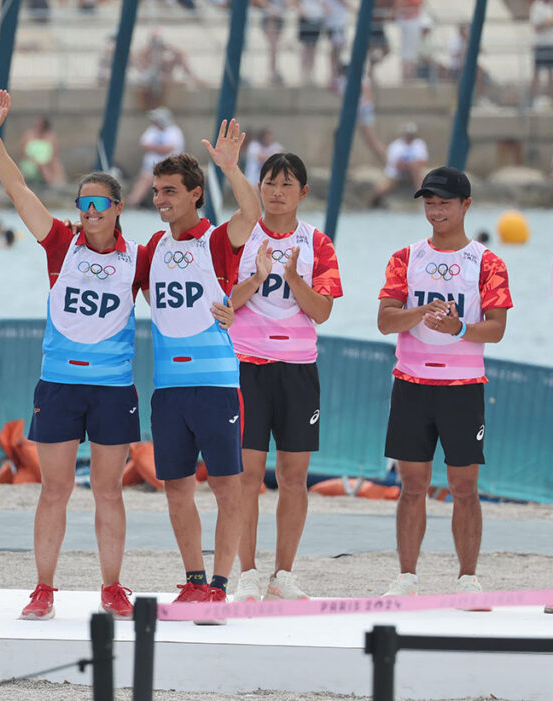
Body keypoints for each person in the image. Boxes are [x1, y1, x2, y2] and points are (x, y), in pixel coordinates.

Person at [0, 90, 142, 621]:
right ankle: (43, 589)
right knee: (53, 490)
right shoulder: (60, 243)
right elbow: (18, 188)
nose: (91, 211)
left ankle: (112, 587)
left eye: (101, 203)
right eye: (84, 203)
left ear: (117, 208)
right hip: (59, 382)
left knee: (108, 491)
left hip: (114, 384)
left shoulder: (137, 259)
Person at [136, 120, 261, 617]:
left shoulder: (215, 241)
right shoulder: (153, 247)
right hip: (168, 386)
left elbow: (251, 214)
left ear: (194, 195)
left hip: (215, 384)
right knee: (177, 487)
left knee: (227, 485)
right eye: (157, 189)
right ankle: (192, 580)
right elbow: (140, 292)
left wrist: (230, 168)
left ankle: (220, 584)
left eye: (170, 191)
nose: (160, 197)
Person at [378, 166, 512, 598]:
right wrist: (420, 313)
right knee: (411, 486)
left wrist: (457, 329)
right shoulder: (405, 258)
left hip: (463, 386)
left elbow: (496, 329)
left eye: (444, 203)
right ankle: (406, 578)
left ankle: (467, 578)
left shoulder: (488, 262)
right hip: (412, 384)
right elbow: (384, 321)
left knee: (464, 488)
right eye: (429, 202)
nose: (435, 210)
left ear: (465, 205)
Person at [226, 152, 343, 601]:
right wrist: (256, 278)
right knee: (246, 476)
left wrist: (293, 278)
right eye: (269, 183)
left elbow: (322, 311)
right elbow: (226, 302)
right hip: (248, 366)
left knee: (294, 476)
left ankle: (284, 574)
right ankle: (249, 572)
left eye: (286, 185)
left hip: (297, 369)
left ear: (303, 193)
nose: (276, 193)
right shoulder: (242, 235)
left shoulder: (318, 242)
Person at [126, 107, 185, 208]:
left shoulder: (174, 131)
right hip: (150, 167)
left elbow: (168, 148)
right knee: (146, 178)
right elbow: (144, 144)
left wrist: (153, 147)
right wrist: (158, 148)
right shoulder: (152, 130)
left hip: (169, 168)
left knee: (156, 179)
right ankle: (132, 202)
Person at [371, 122, 429, 207]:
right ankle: (375, 203)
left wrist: (412, 166)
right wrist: (411, 165)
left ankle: (423, 196)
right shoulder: (396, 146)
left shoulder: (419, 144)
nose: (409, 137)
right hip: (396, 173)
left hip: (414, 171)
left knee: (418, 172)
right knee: (382, 188)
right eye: (408, 135)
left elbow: (423, 161)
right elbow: (397, 165)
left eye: (411, 135)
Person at [19, 116, 66, 187]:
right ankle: (51, 182)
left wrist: (49, 162)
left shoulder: (51, 137)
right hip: (31, 162)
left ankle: (59, 183)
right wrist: (36, 161)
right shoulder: (29, 135)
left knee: (56, 164)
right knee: (42, 166)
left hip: (48, 163)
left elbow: (54, 154)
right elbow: (22, 152)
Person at [253, 0, 286, 85]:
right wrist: (270, 9)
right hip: (269, 19)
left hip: (278, 18)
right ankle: (272, 72)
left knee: (275, 48)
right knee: (273, 47)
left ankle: (274, 72)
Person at [296, 0, 326, 86]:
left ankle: (311, 73)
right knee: (305, 48)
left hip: (317, 20)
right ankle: (303, 74)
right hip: (306, 20)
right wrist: (302, 11)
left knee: (313, 48)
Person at [395, 0, 423, 83]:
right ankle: (406, 76)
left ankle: (411, 76)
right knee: (407, 51)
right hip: (407, 21)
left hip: (413, 20)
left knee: (412, 50)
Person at [531, 0, 553, 104]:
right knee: (536, 74)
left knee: (551, 74)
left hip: (551, 44)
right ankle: (531, 100)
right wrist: (546, 22)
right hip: (540, 45)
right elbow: (536, 27)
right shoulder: (537, 6)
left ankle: (551, 100)